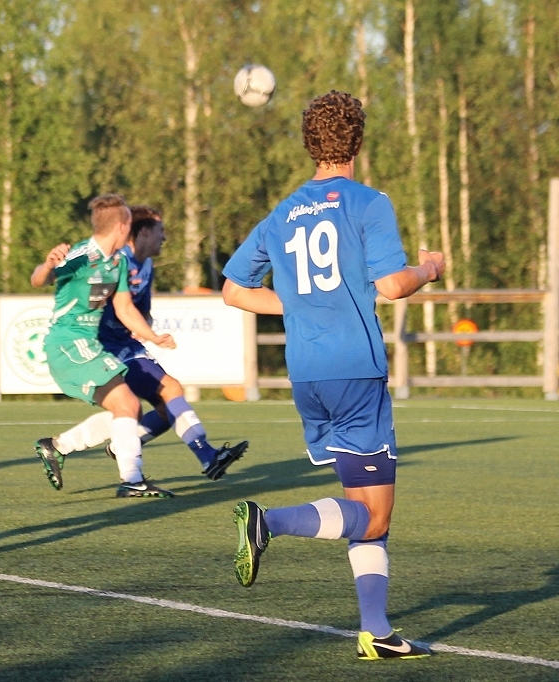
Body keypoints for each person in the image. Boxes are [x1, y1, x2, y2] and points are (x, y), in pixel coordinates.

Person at [221, 91, 442, 660]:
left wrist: (299, 305)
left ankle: (377, 632)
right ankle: (267, 522)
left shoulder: (282, 213)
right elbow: (392, 285)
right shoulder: (369, 203)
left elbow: (234, 292)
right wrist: (429, 268)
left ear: (309, 144)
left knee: (363, 509)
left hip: (308, 375)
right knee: (375, 515)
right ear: (358, 141)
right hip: (355, 371)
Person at [35, 206, 249, 483]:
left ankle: (72, 445)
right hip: (106, 346)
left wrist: (146, 328)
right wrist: (48, 266)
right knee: (159, 395)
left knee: (159, 407)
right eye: (161, 230)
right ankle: (202, 456)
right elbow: (72, 288)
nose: (165, 237)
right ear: (143, 232)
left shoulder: (144, 265)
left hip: (126, 344)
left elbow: (135, 308)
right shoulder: (114, 258)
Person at [30, 194, 178, 498]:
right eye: (130, 223)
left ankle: (58, 446)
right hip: (68, 343)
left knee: (128, 410)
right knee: (128, 405)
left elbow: (124, 309)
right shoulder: (81, 256)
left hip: (90, 345)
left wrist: (152, 336)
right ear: (122, 226)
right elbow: (38, 280)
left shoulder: (117, 262)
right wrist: (47, 264)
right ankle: (132, 480)